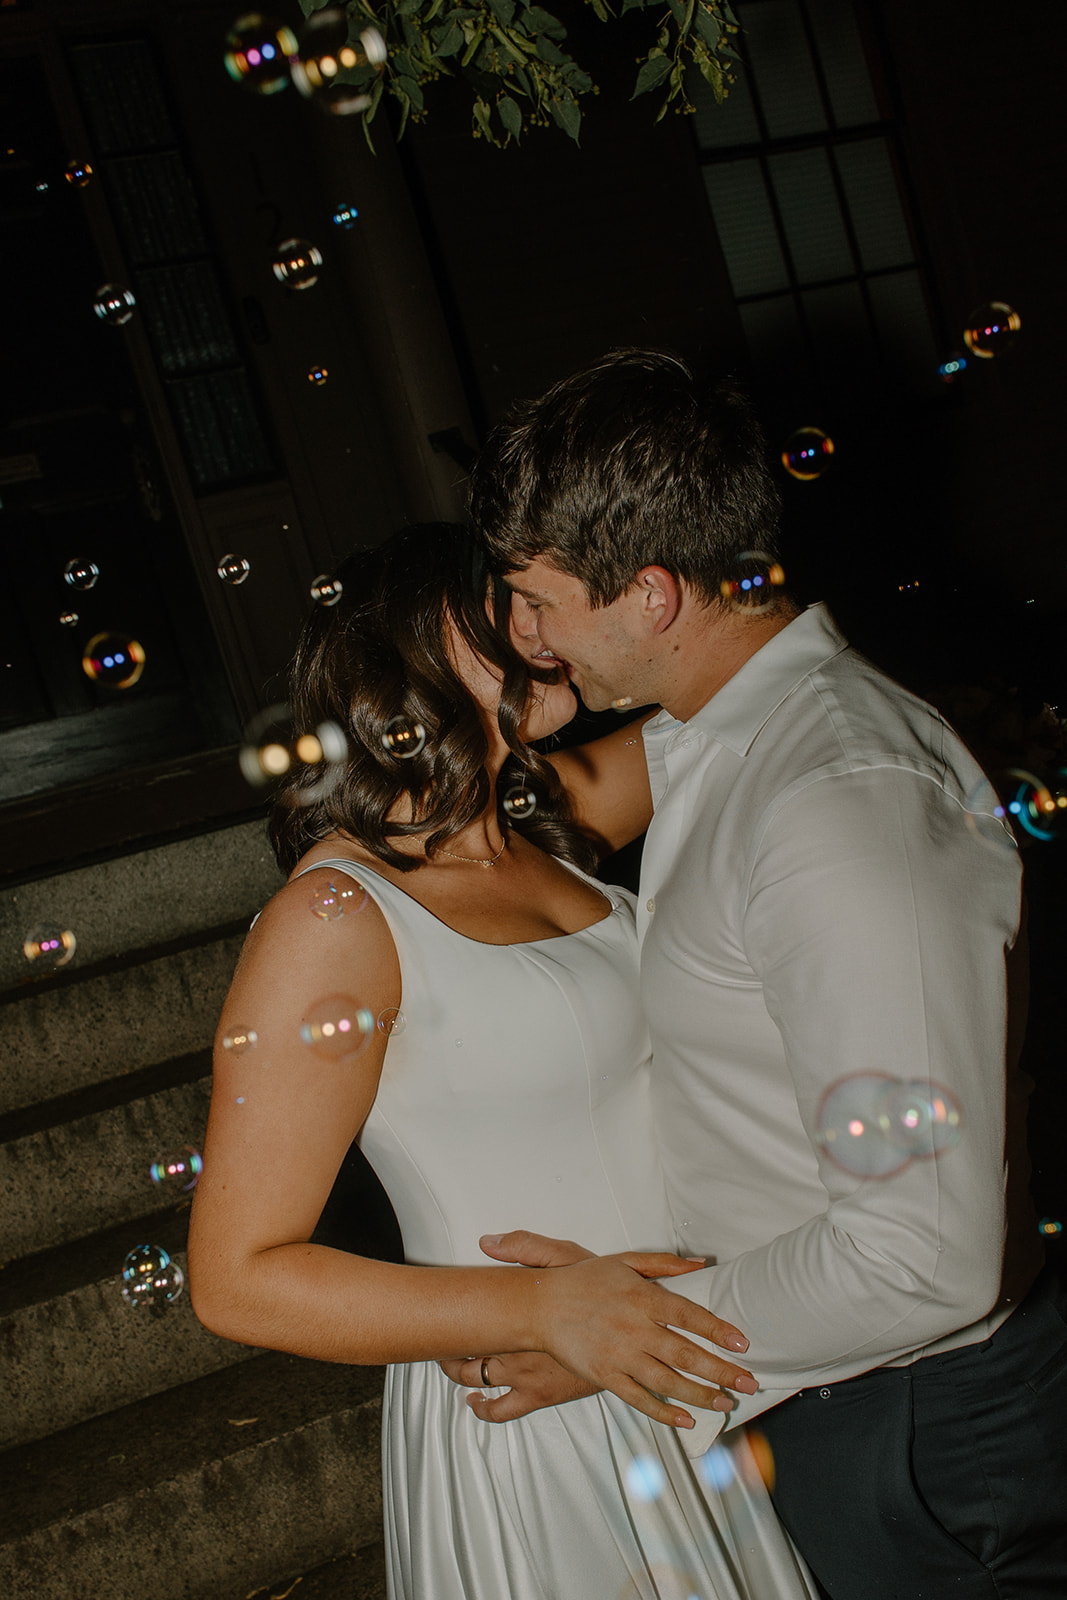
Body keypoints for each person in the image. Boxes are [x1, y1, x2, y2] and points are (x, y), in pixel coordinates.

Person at [444, 350, 1067, 1599]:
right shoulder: (714, 738)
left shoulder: (833, 798)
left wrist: (628, 1336)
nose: (522, 637)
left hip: (911, 1433)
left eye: (533, 600)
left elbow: (918, 1253)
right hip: (836, 1401)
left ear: (652, 596)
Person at [187, 523, 820, 1600]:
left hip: (681, 1364)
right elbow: (236, 1279)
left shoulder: (539, 822)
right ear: (406, 655)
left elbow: (748, 690)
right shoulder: (335, 916)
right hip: (538, 1412)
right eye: (508, 605)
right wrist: (538, 1314)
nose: (540, 624)